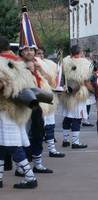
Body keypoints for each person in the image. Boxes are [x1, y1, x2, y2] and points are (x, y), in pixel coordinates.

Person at [0, 35, 37, 188]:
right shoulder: (19, 63)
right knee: (1, 146)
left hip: (5, 110)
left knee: (13, 146)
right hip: (18, 111)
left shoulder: (2, 63)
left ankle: (30, 178)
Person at [15, 46, 54, 174]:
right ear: (21, 52)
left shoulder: (38, 65)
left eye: (31, 50)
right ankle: (21, 167)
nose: (29, 52)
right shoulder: (16, 66)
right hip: (22, 106)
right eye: (25, 50)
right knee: (23, 137)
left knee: (38, 134)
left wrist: (39, 69)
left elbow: (51, 81)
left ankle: (38, 164)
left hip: (37, 106)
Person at [35, 47, 65, 158]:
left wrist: (59, 86)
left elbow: (53, 81)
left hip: (49, 98)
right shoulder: (31, 65)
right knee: (36, 129)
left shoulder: (50, 65)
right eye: (38, 53)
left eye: (42, 53)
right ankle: (33, 155)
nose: (41, 55)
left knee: (50, 125)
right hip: (37, 100)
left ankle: (52, 149)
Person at [62, 45, 93, 148]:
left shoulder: (65, 61)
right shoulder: (85, 63)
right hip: (79, 93)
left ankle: (65, 140)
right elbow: (87, 80)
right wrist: (95, 91)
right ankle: (75, 142)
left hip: (67, 93)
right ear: (81, 52)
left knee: (67, 117)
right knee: (77, 118)